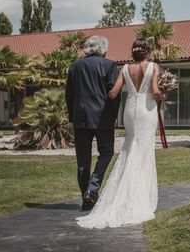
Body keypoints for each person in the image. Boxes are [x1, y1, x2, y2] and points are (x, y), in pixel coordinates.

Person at [76, 38, 163, 229]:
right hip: (146, 111)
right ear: (147, 52)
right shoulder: (153, 67)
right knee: (144, 152)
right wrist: (163, 94)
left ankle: (105, 194)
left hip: (130, 111)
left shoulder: (124, 68)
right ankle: (140, 197)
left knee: (129, 148)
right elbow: (155, 91)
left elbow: (113, 93)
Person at [65, 35, 120, 212]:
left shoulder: (74, 66)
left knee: (82, 161)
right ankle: (92, 189)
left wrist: (72, 116)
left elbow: (69, 94)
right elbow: (114, 92)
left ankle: (86, 197)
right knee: (107, 152)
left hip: (80, 118)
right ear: (103, 48)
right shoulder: (109, 65)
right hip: (102, 116)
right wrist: (114, 114)